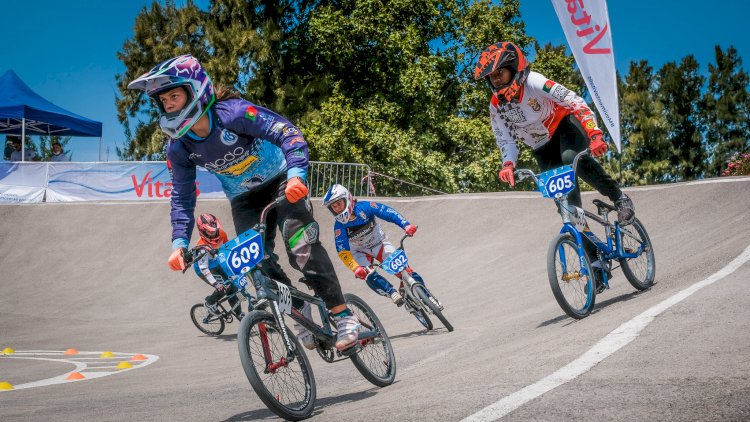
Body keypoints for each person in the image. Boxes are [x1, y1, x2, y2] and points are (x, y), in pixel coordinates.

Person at [128, 54, 359, 351]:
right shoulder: (179, 147)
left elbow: (286, 132)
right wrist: (178, 244)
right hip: (243, 200)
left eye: (174, 95)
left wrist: (297, 175)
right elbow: (182, 196)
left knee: (300, 247)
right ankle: (299, 308)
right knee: (256, 265)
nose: (169, 104)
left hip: (281, 182)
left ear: (196, 89)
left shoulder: (233, 114)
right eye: (164, 100)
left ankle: (343, 316)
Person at [473, 41, 635, 289]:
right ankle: (595, 262)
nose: (496, 80)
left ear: (514, 68)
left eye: (499, 73)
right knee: (568, 209)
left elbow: (575, 101)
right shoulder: (496, 107)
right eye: (491, 77)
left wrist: (594, 134)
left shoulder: (535, 82)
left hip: (564, 129)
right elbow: (505, 140)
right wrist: (508, 163)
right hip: (541, 147)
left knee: (572, 158)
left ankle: (620, 198)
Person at [323, 184, 428, 308]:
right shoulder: (339, 226)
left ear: (348, 199)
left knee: (407, 271)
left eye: (339, 204)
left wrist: (406, 225)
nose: (337, 209)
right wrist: (355, 268)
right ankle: (391, 292)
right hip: (359, 252)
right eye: (333, 207)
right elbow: (343, 251)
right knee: (367, 274)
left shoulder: (365, 207)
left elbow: (389, 213)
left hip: (379, 244)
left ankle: (427, 295)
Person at [191, 213, 245, 320]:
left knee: (233, 287)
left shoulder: (222, 234)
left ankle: (239, 313)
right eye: (209, 231)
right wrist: (216, 284)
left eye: (214, 230)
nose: (213, 233)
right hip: (205, 269)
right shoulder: (201, 248)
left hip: (217, 263)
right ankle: (210, 302)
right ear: (202, 231)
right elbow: (204, 269)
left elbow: (228, 250)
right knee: (223, 288)